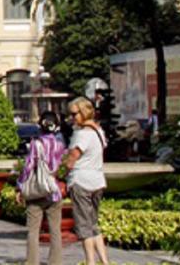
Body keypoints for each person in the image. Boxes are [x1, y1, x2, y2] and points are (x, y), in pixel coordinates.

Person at [63, 96, 110, 265]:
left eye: (74, 114)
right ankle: (104, 261)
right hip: (97, 181)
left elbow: (72, 159)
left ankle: (90, 261)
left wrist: (61, 171)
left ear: (83, 113)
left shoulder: (81, 134)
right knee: (93, 223)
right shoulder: (99, 131)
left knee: (83, 226)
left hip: (81, 181)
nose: (71, 117)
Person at [18, 111, 67, 265]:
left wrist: (19, 187)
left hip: (37, 191)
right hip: (54, 190)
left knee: (33, 230)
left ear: (40, 125)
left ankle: (32, 261)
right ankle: (55, 261)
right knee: (55, 230)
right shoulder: (60, 145)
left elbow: (28, 167)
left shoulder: (36, 144)